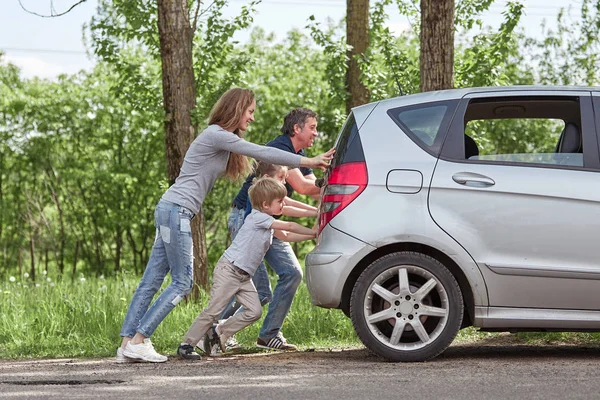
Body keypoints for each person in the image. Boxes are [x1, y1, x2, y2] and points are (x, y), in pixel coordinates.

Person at [116, 89, 334, 363]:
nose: (252, 117)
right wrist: (308, 161)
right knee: (183, 282)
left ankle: (127, 343)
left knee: (152, 281)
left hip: (171, 208)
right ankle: (139, 339)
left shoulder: (220, 139)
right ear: (237, 109)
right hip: (177, 211)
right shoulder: (216, 134)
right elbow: (262, 151)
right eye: (250, 111)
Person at [179, 177, 317, 359]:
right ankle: (186, 344)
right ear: (266, 204)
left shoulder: (267, 222)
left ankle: (219, 330)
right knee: (213, 310)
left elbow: (288, 235)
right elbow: (290, 225)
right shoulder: (258, 218)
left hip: (243, 277)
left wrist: (312, 235)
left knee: (254, 311)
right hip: (229, 270)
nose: (284, 204)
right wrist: (314, 231)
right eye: (280, 201)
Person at [225, 107, 323, 351]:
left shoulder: (298, 154)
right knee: (257, 289)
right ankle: (217, 327)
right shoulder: (280, 150)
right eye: (312, 128)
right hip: (247, 219)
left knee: (291, 273)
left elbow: (313, 184)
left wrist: (321, 201)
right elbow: (304, 188)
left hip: (269, 218)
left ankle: (268, 335)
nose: (316, 134)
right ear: (296, 129)